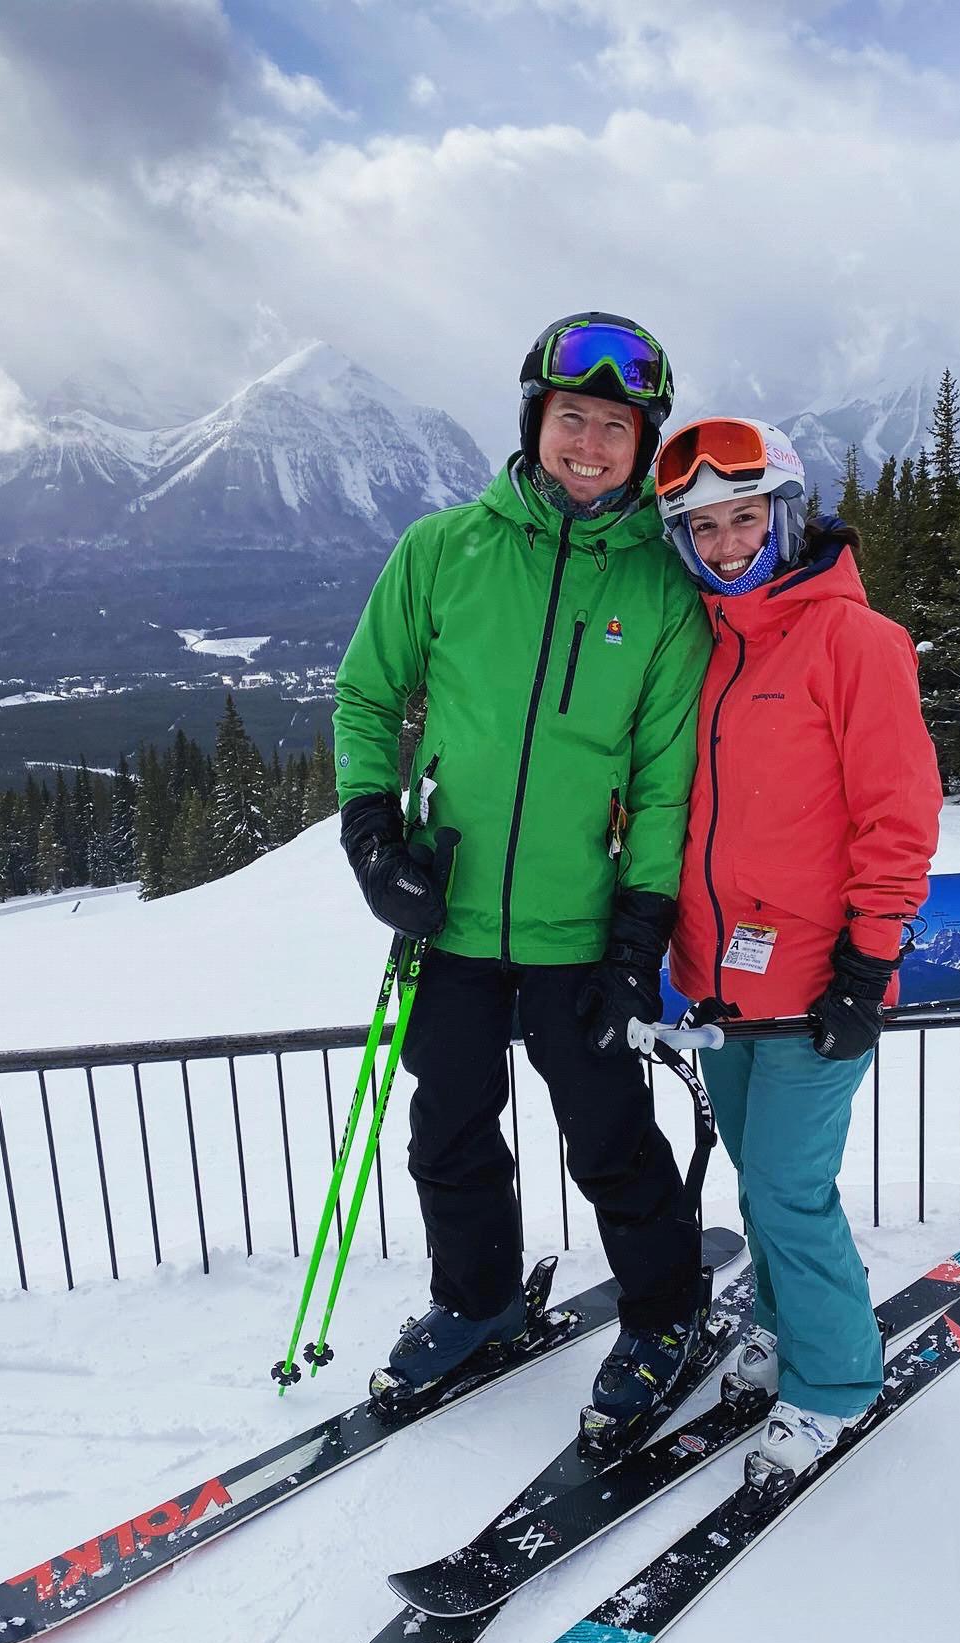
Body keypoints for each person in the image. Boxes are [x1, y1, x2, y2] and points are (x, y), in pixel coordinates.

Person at [333, 312, 712, 1431]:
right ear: (535, 421)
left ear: (643, 447)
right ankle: (478, 1298)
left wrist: (641, 930)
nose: (590, 444)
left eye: (615, 427)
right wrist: (373, 837)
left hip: (580, 927)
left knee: (610, 1137)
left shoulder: (662, 588)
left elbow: (664, 782)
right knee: (447, 1130)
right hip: (448, 913)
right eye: (572, 417)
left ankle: (663, 1314)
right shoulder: (443, 550)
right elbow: (366, 697)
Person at [656, 416, 943, 1474]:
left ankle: (835, 1382)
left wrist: (867, 967)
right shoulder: (706, 641)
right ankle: (781, 1323)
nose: (727, 544)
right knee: (756, 1181)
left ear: (785, 516)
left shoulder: (854, 642)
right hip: (718, 986)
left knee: (789, 1189)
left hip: (819, 983)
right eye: (704, 528)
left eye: (744, 518)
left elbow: (899, 814)